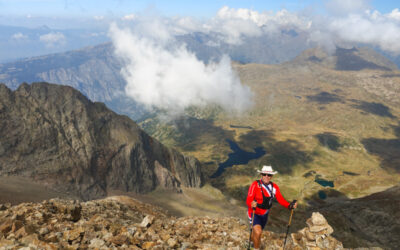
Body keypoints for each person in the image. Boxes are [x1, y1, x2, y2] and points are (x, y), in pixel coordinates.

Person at [246, 165, 297, 250]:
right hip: (254, 213)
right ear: (261, 175)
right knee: (258, 232)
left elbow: (280, 199)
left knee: (256, 233)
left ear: (271, 176)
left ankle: (252, 242)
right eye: (264, 174)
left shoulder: (274, 187)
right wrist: (251, 204)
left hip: (265, 215)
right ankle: (255, 248)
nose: (266, 176)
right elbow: (249, 199)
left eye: (269, 175)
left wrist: (289, 206)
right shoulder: (255, 185)